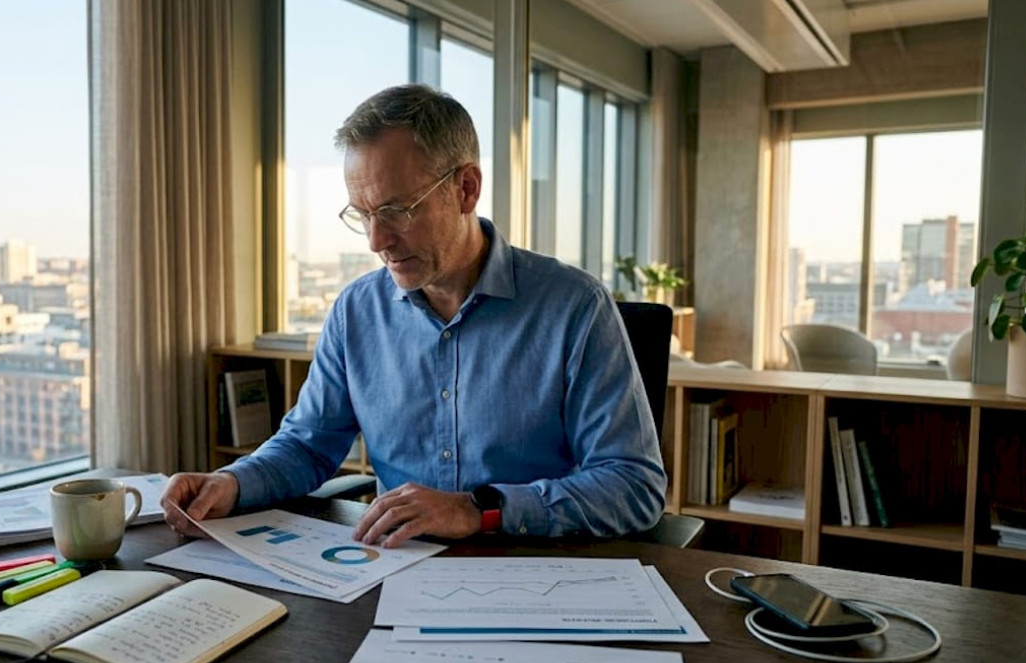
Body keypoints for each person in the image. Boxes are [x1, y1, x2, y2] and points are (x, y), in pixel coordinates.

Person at [162, 84, 665, 548]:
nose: (377, 242)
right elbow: (307, 445)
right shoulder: (356, 312)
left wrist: (479, 509)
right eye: (363, 215)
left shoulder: (574, 307)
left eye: (398, 211)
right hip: (393, 571)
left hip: (535, 571)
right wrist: (231, 483)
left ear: (466, 189)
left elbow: (634, 485)